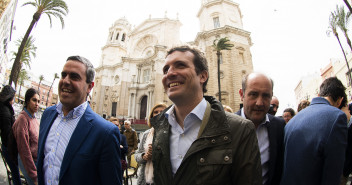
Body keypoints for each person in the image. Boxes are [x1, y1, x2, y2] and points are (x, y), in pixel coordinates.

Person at [151, 46, 262, 185]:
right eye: (165, 69)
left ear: (203, 76)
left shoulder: (240, 130)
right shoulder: (158, 127)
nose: (170, 73)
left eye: (180, 65)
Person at [36, 56, 122, 185]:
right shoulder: (48, 114)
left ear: (89, 87)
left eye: (74, 77)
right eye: (63, 75)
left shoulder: (105, 133)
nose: (65, 81)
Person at [281, 77, 348, 185]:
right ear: (340, 100)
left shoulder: (292, 122)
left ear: (319, 95)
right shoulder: (337, 116)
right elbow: (333, 172)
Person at [236, 72, 285, 185]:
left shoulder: (279, 127)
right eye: (253, 94)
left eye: (266, 96)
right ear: (242, 94)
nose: (259, 103)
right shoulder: (225, 126)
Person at [13, 88, 40, 185]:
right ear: (27, 101)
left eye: (38, 101)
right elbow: (24, 150)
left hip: (36, 161)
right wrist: (34, 175)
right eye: (34, 100)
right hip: (28, 163)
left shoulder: (34, 119)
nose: (37, 104)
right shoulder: (22, 120)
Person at [135, 103, 167, 185]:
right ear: (152, 116)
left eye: (162, 111)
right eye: (156, 112)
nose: (159, 114)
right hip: (145, 180)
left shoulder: (172, 134)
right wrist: (144, 156)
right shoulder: (146, 134)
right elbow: (137, 155)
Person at [0, 85, 21, 185]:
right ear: (10, 98)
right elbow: (7, 135)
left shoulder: (5, 109)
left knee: (15, 172)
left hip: (7, 147)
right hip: (8, 149)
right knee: (16, 174)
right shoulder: (6, 112)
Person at [109, 117, 128, 182]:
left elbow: (126, 149)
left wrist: (116, 147)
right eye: (114, 125)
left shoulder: (122, 137)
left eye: (117, 125)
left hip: (120, 163)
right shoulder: (105, 136)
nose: (116, 127)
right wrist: (119, 147)